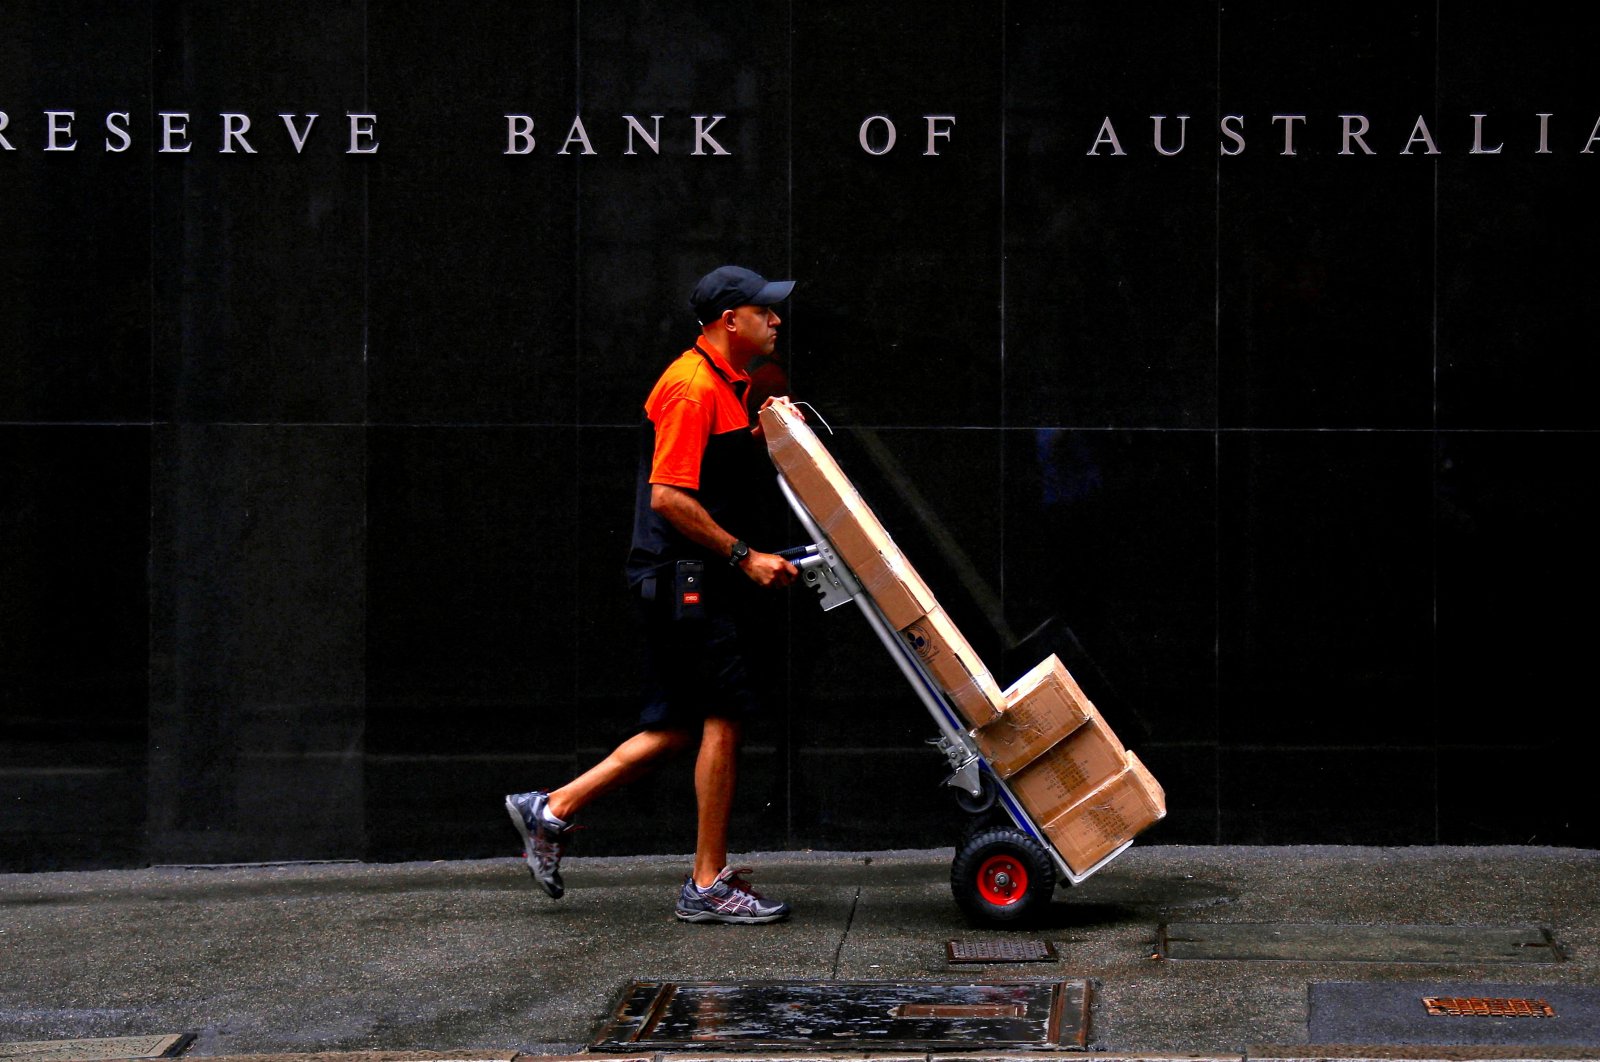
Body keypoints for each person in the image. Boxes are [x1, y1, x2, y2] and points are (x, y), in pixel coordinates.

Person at [506, 265, 800, 924]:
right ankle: (706, 883)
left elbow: (705, 470)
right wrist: (744, 555)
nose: (777, 320)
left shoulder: (729, 384)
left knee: (674, 725)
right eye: (766, 311)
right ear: (731, 320)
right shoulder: (692, 388)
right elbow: (668, 496)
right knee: (723, 713)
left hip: (685, 575)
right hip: (682, 577)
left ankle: (550, 811)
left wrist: (762, 434)